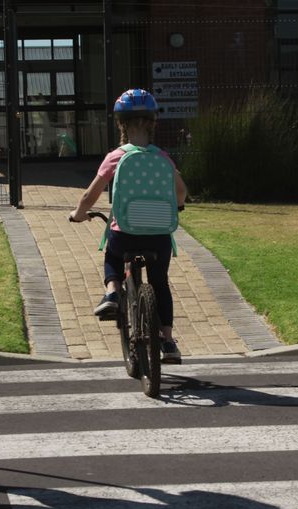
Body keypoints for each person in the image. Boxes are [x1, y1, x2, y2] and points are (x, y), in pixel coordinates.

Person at [68, 88, 189, 364]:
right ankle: (168, 341)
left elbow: (90, 195)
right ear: (153, 123)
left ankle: (112, 292)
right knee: (160, 284)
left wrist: (78, 213)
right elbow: (181, 191)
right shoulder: (162, 157)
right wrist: (178, 205)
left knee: (112, 254)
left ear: (121, 123)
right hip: (158, 234)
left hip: (125, 234)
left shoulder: (116, 156)